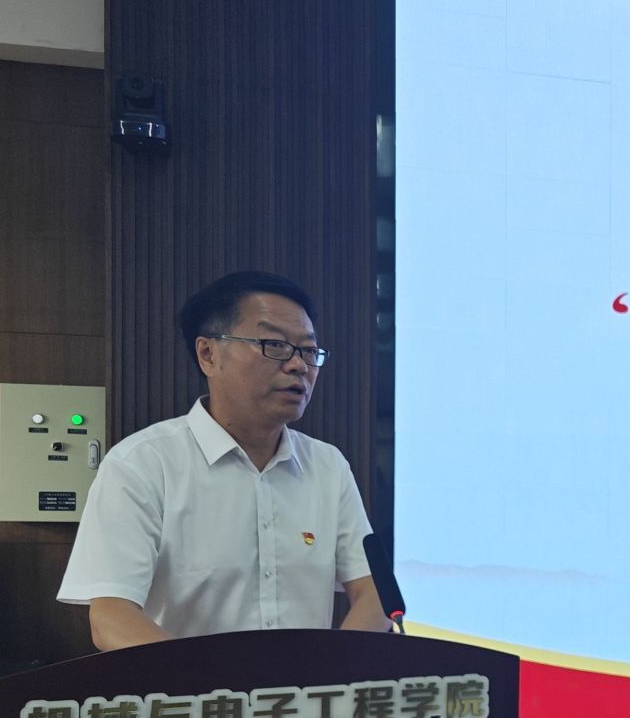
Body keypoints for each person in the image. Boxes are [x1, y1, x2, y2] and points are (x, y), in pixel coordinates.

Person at [58, 270, 393, 649]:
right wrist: (208, 682)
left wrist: (333, 671)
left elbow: (375, 592)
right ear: (208, 354)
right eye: (275, 345)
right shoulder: (142, 464)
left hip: (305, 688)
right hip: (187, 687)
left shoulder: (328, 467)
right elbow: (110, 617)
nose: (299, 365)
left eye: (307, 350)